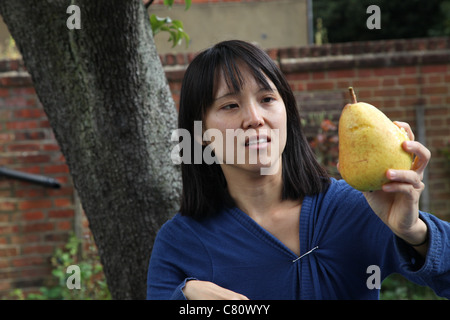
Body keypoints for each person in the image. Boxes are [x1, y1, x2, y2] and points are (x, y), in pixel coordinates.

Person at [146, 40, 450, 300]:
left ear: (287, 113)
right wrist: (184, 298)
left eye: (267, 99)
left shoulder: (358, 206)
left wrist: (415, 233)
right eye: (229, 105)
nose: (254, 118)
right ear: (200, 131)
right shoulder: (180, 243)